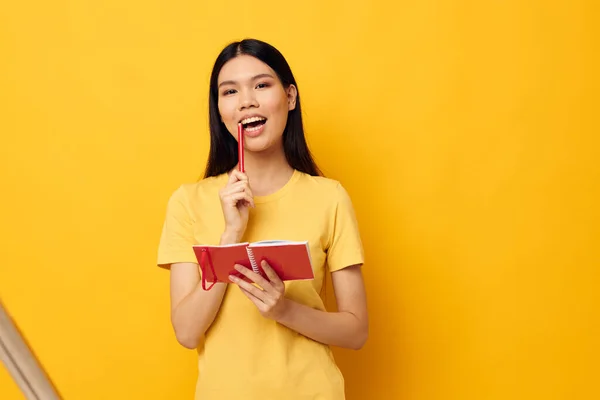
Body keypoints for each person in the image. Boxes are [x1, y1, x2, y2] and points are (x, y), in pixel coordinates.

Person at [156, 38, 368, 400]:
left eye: (261, 85)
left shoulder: (329, 197)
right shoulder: (188, 202)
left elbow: (356, 331)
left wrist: (284, 309)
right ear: (220, 109)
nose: (246, 101)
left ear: (290, 97)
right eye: (229, 91)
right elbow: (187, 332)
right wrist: (230, 236)